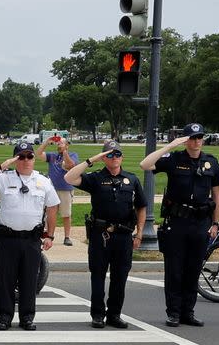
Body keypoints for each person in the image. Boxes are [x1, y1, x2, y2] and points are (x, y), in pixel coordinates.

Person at [140, 123, 219, 327]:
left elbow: (217, 194)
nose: (196, 141)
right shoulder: (174, 159)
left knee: (193, 270)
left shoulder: (211, 162)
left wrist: (215, 223)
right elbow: (146, 164)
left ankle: (188, 312)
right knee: (175, 270)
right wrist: (169, 146)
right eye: (192, 138)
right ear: (185, 140)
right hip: (177, 222)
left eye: (199, 137)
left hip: (200, 223)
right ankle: (174, 313)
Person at [0, 142, 59, 331]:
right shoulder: (4, 178)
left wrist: (50, 235)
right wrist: (2, 166)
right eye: (21, 156)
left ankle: (27, 317)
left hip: (32, 239)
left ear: (34, 159)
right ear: (15, 159)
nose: (26, 160)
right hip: (8, 238)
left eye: (30, 156)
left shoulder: (43, 181)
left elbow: (53, 207)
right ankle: (4, 317)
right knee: (6, 280)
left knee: (29, 280)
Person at [64, 140, 146, 329]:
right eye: (109, 154)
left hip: (124, 235)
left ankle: (114, 314)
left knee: (120, 277)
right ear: (103, 158)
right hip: (101, 235)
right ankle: (98, 314)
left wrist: (140, 233)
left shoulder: (131, 179)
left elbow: (141, 206)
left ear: (122, 157)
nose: (114, 157)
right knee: (98, 275)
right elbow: (69, 177)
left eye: (117, 154)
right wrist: (92, 160)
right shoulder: (95, 179)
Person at [36, 136, 78, 245]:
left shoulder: (73, 155)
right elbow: (38, 154)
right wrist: (46, 142)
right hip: (51, 189)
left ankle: (67, 237)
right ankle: (47, 235)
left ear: (67, 145)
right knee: (48, 214)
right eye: (58, 144)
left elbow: (71, 165)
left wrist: (65, 153)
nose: (58, 145)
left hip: (65, 188)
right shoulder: (52, 156)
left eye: (61, 143)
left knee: (66, 214)